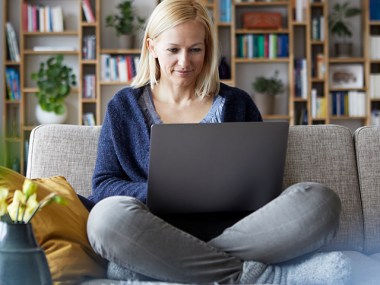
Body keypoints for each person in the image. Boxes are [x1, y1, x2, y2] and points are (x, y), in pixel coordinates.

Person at [87, 0, 351, 284]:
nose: (185, 62)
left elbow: (261, 185)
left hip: (239, 233)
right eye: (173, 50)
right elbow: (103, 186)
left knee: (322, 202)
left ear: (208, 48)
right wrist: (161, 192)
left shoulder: (237, 103)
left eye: (195, 49)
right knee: (106, 220)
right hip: (155, 231)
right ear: (152, 47)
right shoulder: (123, 107)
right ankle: (252, 276)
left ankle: (171, 267)